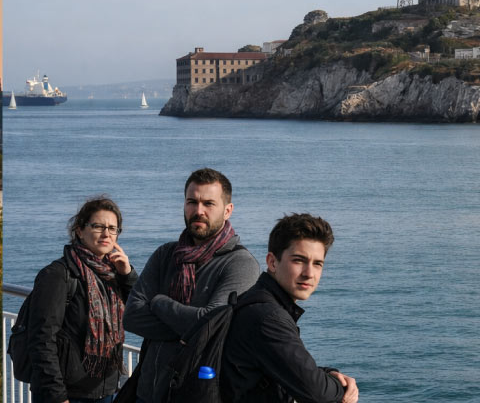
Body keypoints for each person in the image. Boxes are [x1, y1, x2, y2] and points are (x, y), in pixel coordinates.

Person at [123, 168, 260, 403]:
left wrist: (158, 302)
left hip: (198, 396)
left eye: (209, 203)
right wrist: (191, 329)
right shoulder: (166, 255)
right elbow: (132, 316)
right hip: (148, 393)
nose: (199, 211)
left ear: (228, 210)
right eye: (192, 202)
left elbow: (209, 327)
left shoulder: (240, 264)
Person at [222, 213, 359, 403]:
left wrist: (328, 374)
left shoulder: (260, 302)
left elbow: (293, 370)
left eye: (317, 264)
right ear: (272, 262)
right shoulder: (267, 318)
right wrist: (343, 388)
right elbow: (316, 393)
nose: (309, 273)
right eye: (298, 260)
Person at [27, 196, 137, 403]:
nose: (106, 234)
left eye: (113, 229)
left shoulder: (113, 275)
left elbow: (140, 310)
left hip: (106, 390)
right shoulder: (58, 274)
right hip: (68, 393)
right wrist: (56, 395)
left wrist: (127, 274)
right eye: (98, 226)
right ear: (79, 230)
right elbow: (42, 339)